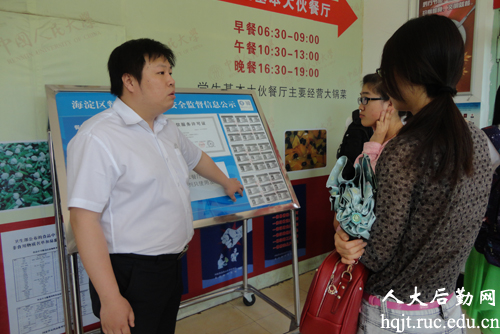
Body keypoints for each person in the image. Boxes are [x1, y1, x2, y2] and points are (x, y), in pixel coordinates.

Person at [67, 38, 244, 334]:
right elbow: (83, 219)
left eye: (170, 72)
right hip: (132, 273)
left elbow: (196, 157)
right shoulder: (98, 137)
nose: (171, 80)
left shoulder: (164, 126)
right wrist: (111, 299)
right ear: (129, 81)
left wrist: (226, 181)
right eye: (161, 73)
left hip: (171, 265)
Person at [334, 15, 491, 333]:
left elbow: (377, 255)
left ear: (408, 71)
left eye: (385, 71)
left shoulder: (406, 149)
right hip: (447, 309)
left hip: (396, 314)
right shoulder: (477, 140)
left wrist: (347, 235)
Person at [463, 86, 500, 334]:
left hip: (489, 245)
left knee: (487, 316)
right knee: (489, 317)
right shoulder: (489, 138)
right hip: (490, 247)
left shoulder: (489, 137)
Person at [353, 73, 405, 170]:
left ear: (390, 103)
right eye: (361, 99)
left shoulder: (403, 145)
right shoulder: (380, 137)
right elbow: (359, 175)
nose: (360, 107)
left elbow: (367, 181)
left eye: (365, 99)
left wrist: (374, 142)